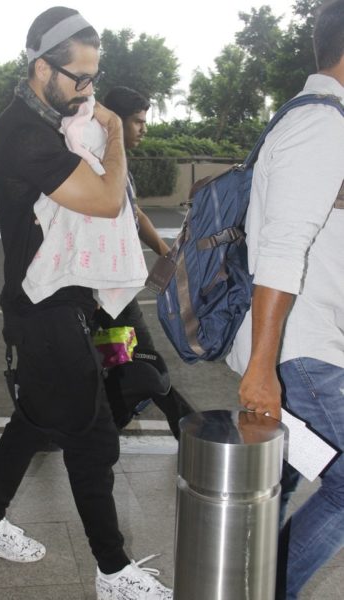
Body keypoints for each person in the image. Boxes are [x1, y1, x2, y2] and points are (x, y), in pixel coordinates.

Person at [0, 7, 172, 600]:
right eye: (79, 78)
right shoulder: (26, 135)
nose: (88, 91)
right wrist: (109, 129)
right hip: (45, 310)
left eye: (94, 80)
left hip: (60, 303)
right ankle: (113, 572)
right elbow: (109, 202)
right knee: (92, 438)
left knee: (32, 422)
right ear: (40, 66)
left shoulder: (51, 119)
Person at [226, 1, 344, 597]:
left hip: (306, 343)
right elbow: (282, 249)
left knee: (282, 483)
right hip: (300, 349)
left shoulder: (316, 120)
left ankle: (246, 586)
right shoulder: (323, 124)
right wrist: (262, 368)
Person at [94, 85, 193, 438]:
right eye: (137, 122)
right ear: (115, 121)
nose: (144, 129)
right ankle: (187, 427)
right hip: (102, 289)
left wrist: (168, 254)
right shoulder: (96, 162)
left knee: (124, 360)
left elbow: (135, 215)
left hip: (113, 288)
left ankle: (181, 423)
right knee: (145, 359)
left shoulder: (119, 166)